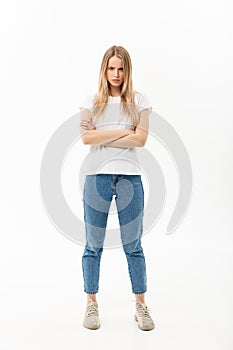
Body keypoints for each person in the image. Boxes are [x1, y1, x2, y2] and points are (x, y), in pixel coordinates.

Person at [79, 45, 155, 331]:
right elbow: (87, 140)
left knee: (133, 246)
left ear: (127, 70)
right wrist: (126, 131)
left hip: (129, 178)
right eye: (111, 68)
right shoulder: (91, 101)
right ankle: (91, 304)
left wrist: (102, 135)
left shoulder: (139, 100)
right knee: (93, 245)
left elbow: (142, 140)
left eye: (121, 68)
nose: (116, 74)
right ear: (104, 69)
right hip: (96, 177)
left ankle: (141, 305)